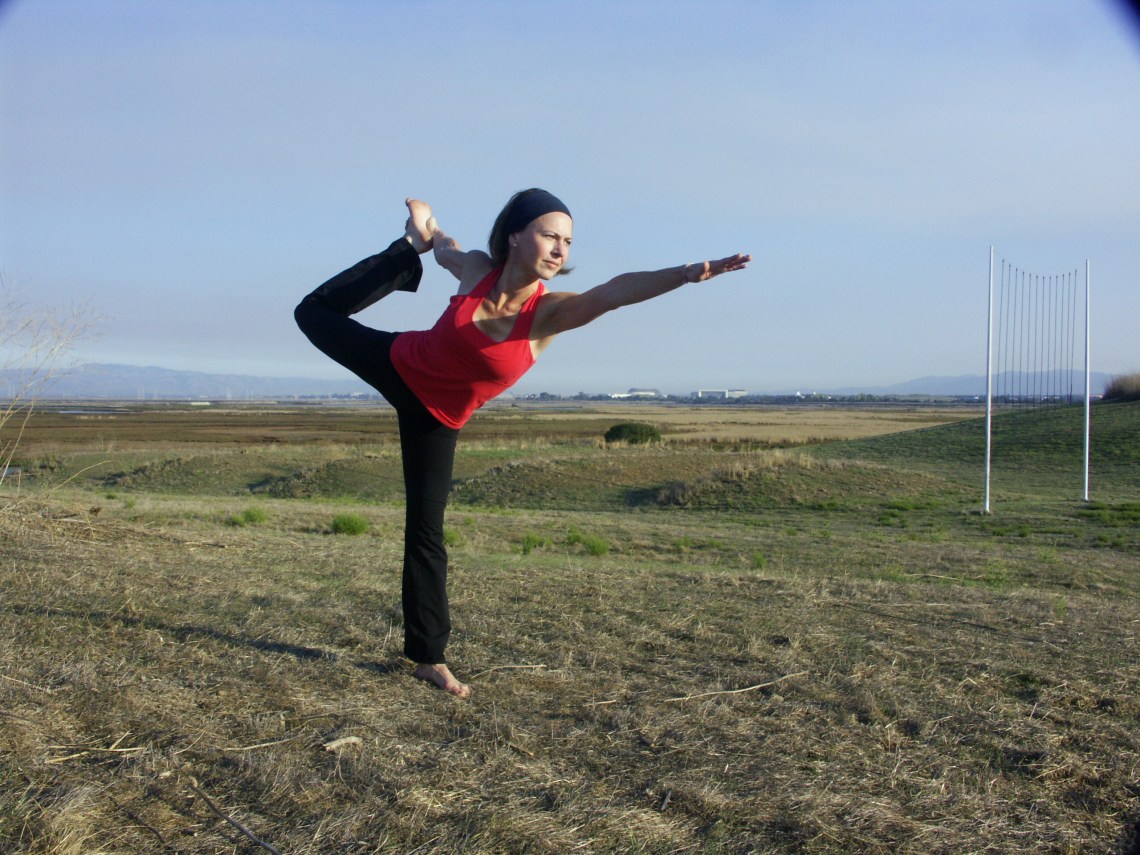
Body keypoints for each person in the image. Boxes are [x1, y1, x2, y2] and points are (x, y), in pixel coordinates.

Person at [295, 189, 750, 697]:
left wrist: (685, 273)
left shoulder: (548, 314)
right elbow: (448, 249)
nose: (560, 250)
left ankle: (428, 657)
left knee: (426, 531)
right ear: (515, 236)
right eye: (550, 235)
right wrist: (428, 238)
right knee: (312, 312)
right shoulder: (476, 270)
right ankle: (406, 247)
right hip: (399, 361)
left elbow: (615, 290)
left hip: (437, 418)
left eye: (568, 241)